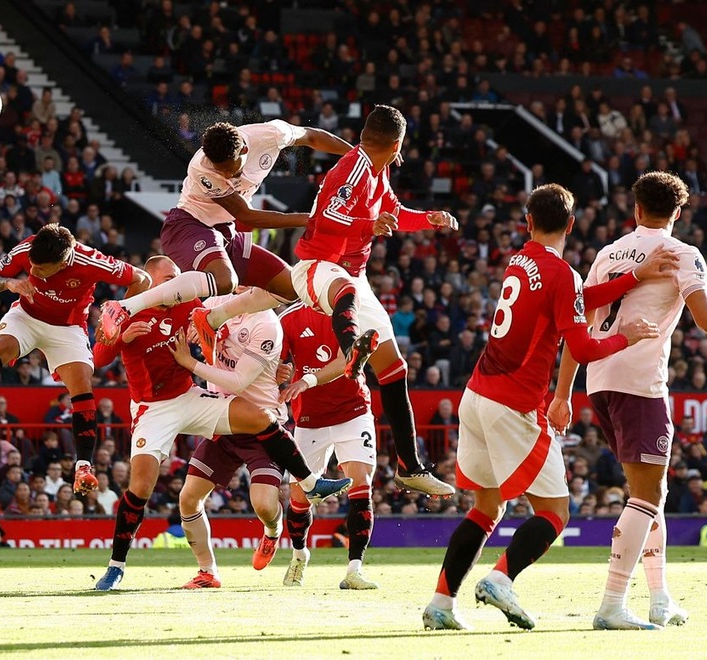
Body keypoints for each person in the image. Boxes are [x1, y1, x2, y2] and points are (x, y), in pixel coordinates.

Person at [422, 184, 674, 631]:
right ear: (572, 225)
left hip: (476, 395)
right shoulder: (563, 274)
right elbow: (582, 344)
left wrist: (633, 278)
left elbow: (574, 302)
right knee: (555, 512)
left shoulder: (520, 260)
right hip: (514, 403)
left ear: (529, 222)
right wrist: (626, 337)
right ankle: (501, 577)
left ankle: (441, 604)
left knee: (485, 508)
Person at [550, 172, 707, 631]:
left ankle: (660, 598)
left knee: (648, 495)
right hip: (640, 382)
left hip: (598, 379)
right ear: (678, 213)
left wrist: (562, 393)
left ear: (636, 209)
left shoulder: (608, 253)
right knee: (647, 494)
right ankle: (612, 603)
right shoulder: (682, 253)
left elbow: (577, 325)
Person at [90, 256, 351, 591]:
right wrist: (120, 338)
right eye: (170, 279)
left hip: (190, 396)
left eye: (179, 278)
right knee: (142, 487)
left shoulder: (195, 307)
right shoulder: (131, 310)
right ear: (151, 284)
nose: (178, 285)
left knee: (260, 419)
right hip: (152, 409)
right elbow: (97, 358)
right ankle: (119, 566)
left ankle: (309, 483)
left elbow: (261, 309)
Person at [277, 105, 458, 495]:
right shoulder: (351, 169)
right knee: (344, 291)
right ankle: (352, 354)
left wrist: (431, 218)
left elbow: (393, 213)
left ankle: (409, 467)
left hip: (354, 279)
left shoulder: (379, 171)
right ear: (397, 144)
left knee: (394, 368)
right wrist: (367, 225)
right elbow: (323, 215)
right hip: (318, 266)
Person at [0, 224, 148, 495]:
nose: (33, 272)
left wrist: (120, 314)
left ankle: (83, 466)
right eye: (31, 267)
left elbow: (141, 279)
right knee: (2, 347)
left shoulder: (90, 260)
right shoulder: (29, 247)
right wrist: (9, 283)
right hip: (26, 315)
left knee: (82, 384)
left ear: (62, 262)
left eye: (40, 269)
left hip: (68, 328)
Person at [99, 119, 352, 343]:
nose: (226, 175)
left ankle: (210, 318)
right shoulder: (202, 167)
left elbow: (311, 136)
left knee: (291, 288)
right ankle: (123, 307)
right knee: (224, 281)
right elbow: (247, 216)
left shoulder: (271, 134)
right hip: (189, 225)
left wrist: (357, 155)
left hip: (224, 232)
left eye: (230, 169)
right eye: (221, 171)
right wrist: (311, 219)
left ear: (244, 149)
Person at [174, 292, 289, 589]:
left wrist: (190, 363)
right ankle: (207, 572)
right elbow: (193, 322)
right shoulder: (216, 305)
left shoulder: (267, 324)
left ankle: (273, 531)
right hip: (223, 417)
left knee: (263, 505)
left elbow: (238, 381)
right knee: (188, 498)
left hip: (262, 423)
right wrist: (192, 331)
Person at [278, 302, 379, 590]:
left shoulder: (347, 314)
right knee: (300, 498)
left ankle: (354, 570)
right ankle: (299, 555)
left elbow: (344, 361)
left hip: (353, 409)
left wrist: (306, 380)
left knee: (361, 483)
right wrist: (280, 374)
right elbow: (279, 363)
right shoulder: (289, 318)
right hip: (310, 418)